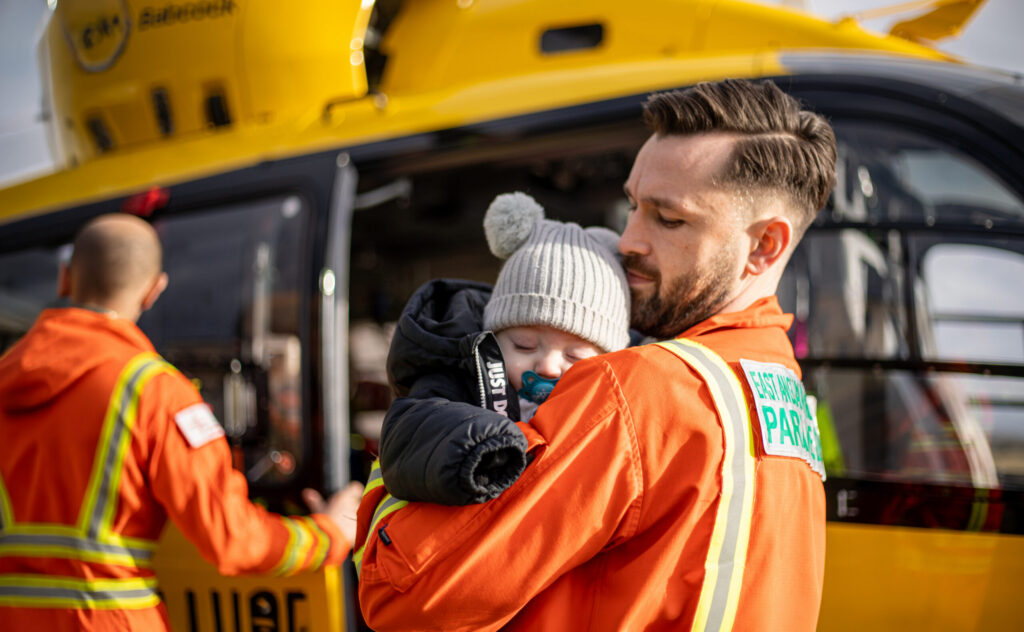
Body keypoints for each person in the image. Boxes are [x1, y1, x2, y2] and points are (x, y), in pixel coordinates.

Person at [356, 78, 835, 631]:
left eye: (669, 218)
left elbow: (401, 594)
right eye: (632, 205)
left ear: (764, 245)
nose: (627, 238)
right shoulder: (781, 390)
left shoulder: (637, 390)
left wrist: (437, 398)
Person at [0, 213, 363, 631]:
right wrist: (330, 534)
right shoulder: (153, 390)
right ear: (155, 290)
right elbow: (228, 537)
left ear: (65, 278)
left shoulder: (7, 379)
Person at [370, 191, 631, 507]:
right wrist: (485, 447)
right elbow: (409, 437)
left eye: (573, 355)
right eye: (524, 345)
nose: (547, 366)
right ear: (492, 337)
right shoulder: (455, 379)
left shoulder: (613, 410)